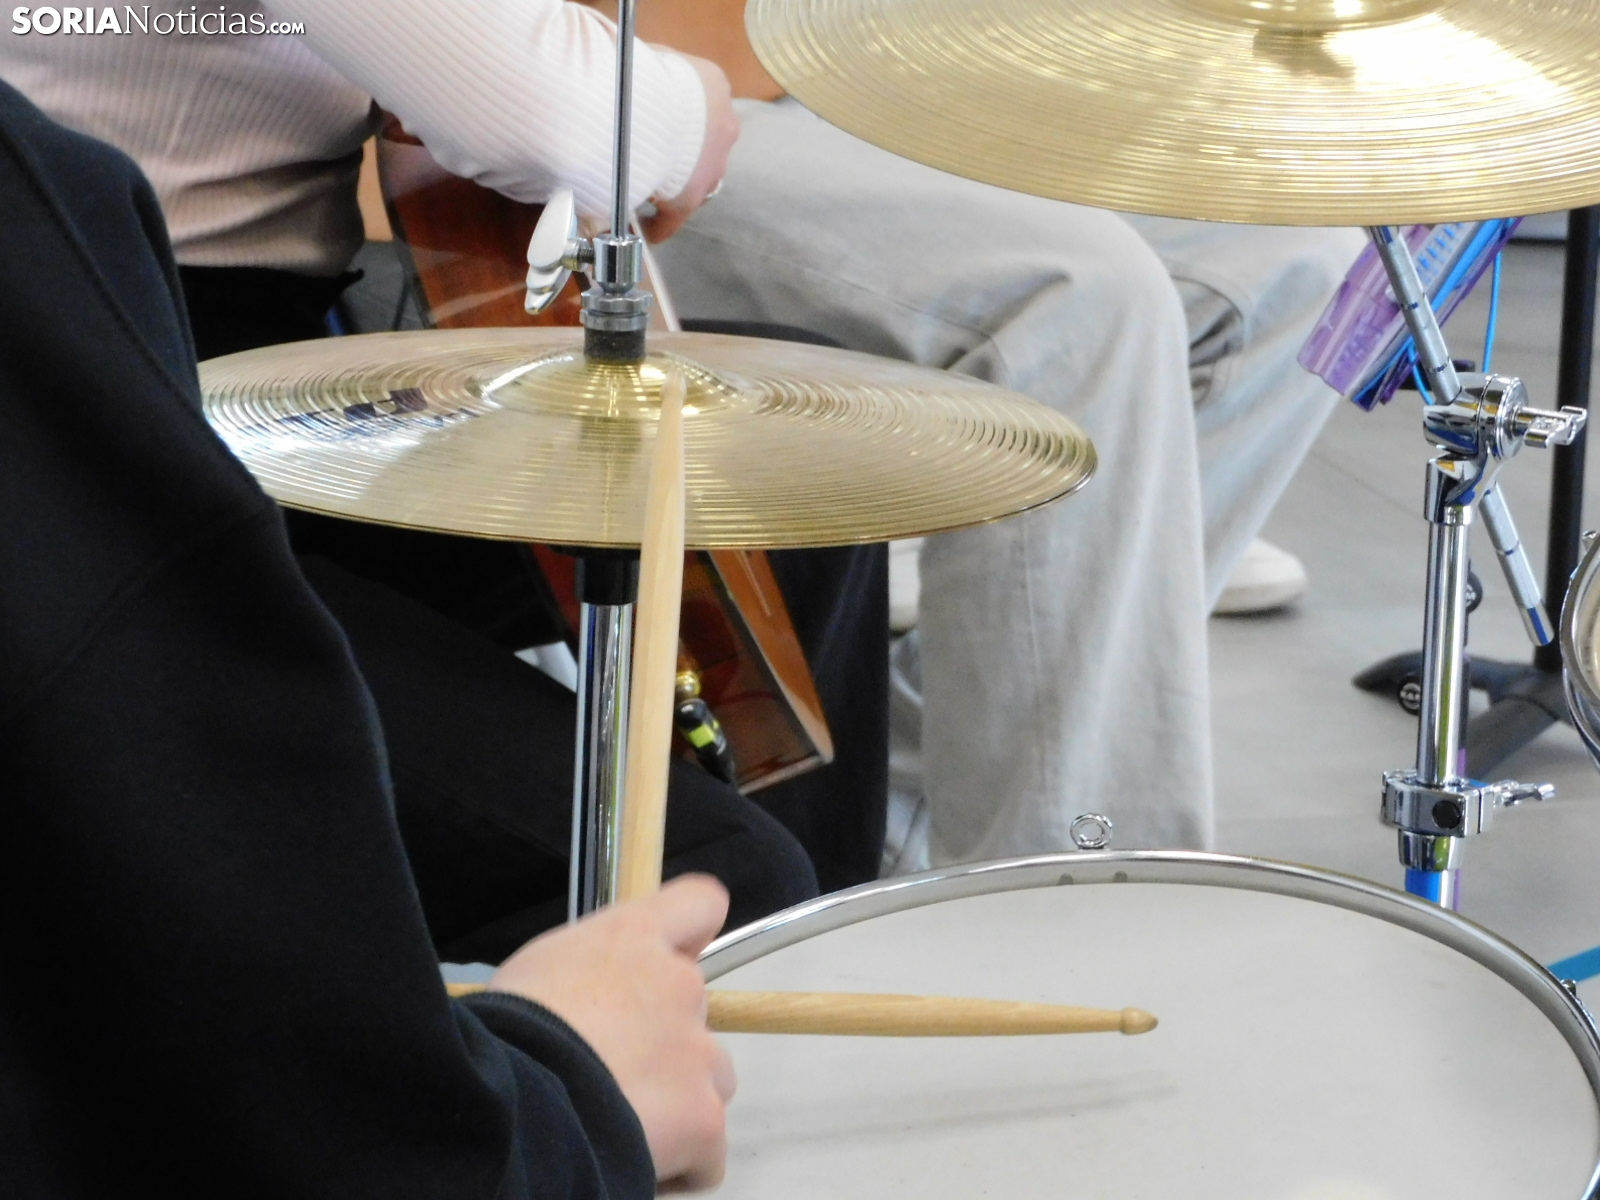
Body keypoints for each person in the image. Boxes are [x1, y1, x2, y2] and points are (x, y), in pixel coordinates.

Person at [0, 0, 893, 943]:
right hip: (85, 486)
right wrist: (696, 104)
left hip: (243, 400)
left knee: (792, 455)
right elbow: (557, 118)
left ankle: (813, 981)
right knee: (711, 877)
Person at [0, 77, 731, 1195]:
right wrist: (573, 1093)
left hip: (265, 355)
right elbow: (562, 114)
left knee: (791, 527)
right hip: (204, 379)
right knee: (722, 867)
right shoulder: (29, 217)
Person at [600, 0, 1367, 866]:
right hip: (619, 94)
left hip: (834, 70)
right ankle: (1064, 895)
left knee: (1298, 262)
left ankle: (915, 799)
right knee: (1079, 301)